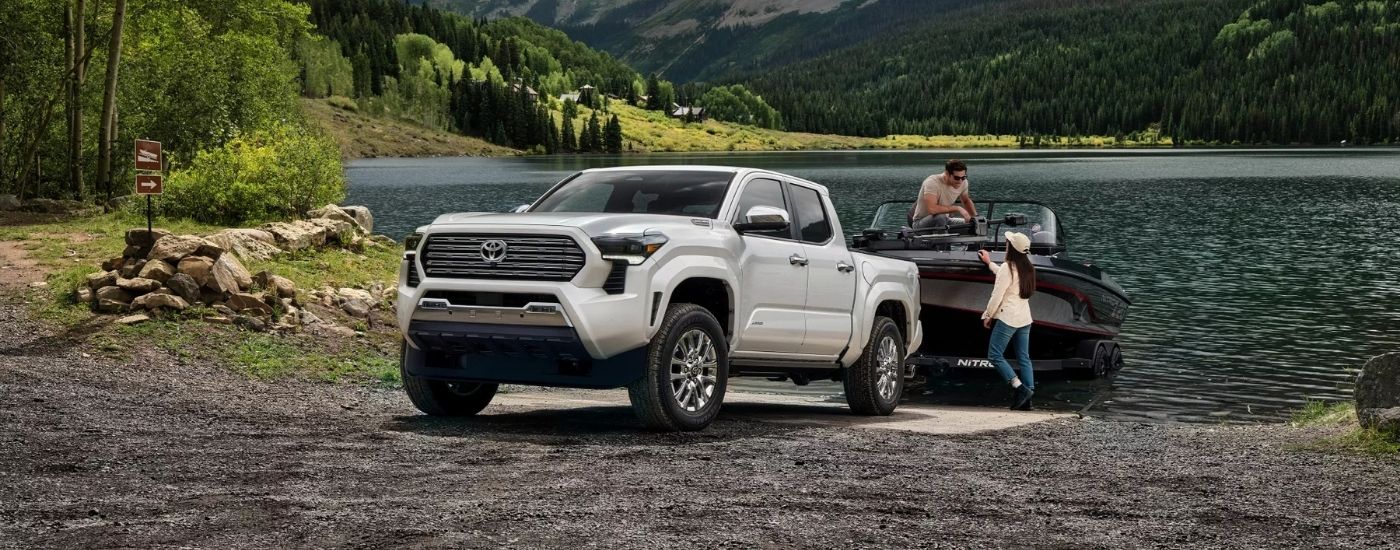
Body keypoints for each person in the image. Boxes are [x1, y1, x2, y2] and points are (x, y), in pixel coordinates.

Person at [977, 231, 1036, 410]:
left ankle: (1019, 388)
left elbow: (997, 295)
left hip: (1008, 318)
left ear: (1012, 248)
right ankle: (1029, 396)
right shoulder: (1028, 267)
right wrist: (990, 264)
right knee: (1024, 358)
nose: (1006, 244)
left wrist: (987, 315)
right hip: (1025, 318)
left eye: (1008, 242)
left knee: (994, 355)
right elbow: (1005, 277)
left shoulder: (1007, 268)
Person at [911, 159, 977, 229]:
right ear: (947, 174)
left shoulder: (964, 182)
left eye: (963, 177)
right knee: (940, 217)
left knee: (973, 224)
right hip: (920, 224)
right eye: (956, 178)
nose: (960, 181)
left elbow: (966, 201)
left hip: (945, 220)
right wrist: (958, 208)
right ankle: (944, 238)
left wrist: (975, 217)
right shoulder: (932, 182)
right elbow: (932, 209)